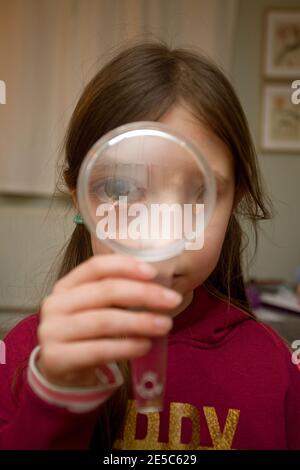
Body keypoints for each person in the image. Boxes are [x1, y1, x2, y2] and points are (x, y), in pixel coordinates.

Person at [1, 41, 299, 450]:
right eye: (120, 188)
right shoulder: (20, 355)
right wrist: (57, 400)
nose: (161, 235)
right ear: (80, 201)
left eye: (199, 194)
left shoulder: (277, 369)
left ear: (234, 202)